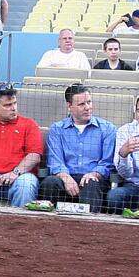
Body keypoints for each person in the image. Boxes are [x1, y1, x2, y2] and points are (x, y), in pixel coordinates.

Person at [41, 84, 116, 212]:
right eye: (82, 104)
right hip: (66, 175)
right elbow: (55, 161)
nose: (87, 108)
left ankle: (89, 226)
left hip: (93, 178)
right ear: (69, 106)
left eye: (89, 102)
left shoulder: (107, 129)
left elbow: (107, 162)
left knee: (90, 183)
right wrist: (65, 177)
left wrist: (94, 173)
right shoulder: (57, 129)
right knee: (50, 182)